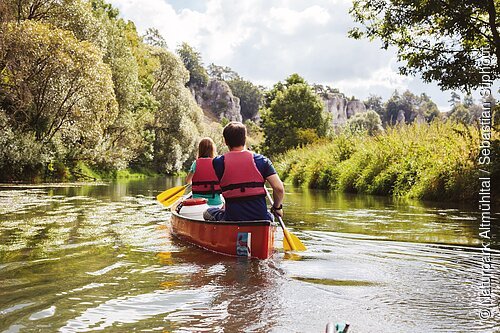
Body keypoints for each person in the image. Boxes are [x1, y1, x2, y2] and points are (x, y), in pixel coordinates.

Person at [203, 122, 284, 221]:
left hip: (232, 218)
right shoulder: (262, 160)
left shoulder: (218, 162)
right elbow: (279, 188)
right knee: (270, 216)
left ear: (225, 141)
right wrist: (277, 207)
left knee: (207, 213)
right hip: (260, 219)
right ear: (245, 139)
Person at [186, 137, 223, 206]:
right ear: (213, 149)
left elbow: (188, 180)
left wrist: (195, 184)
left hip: (198, 204)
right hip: (215, 203)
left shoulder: (195, 163)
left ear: (200, 150)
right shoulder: (217, 163)